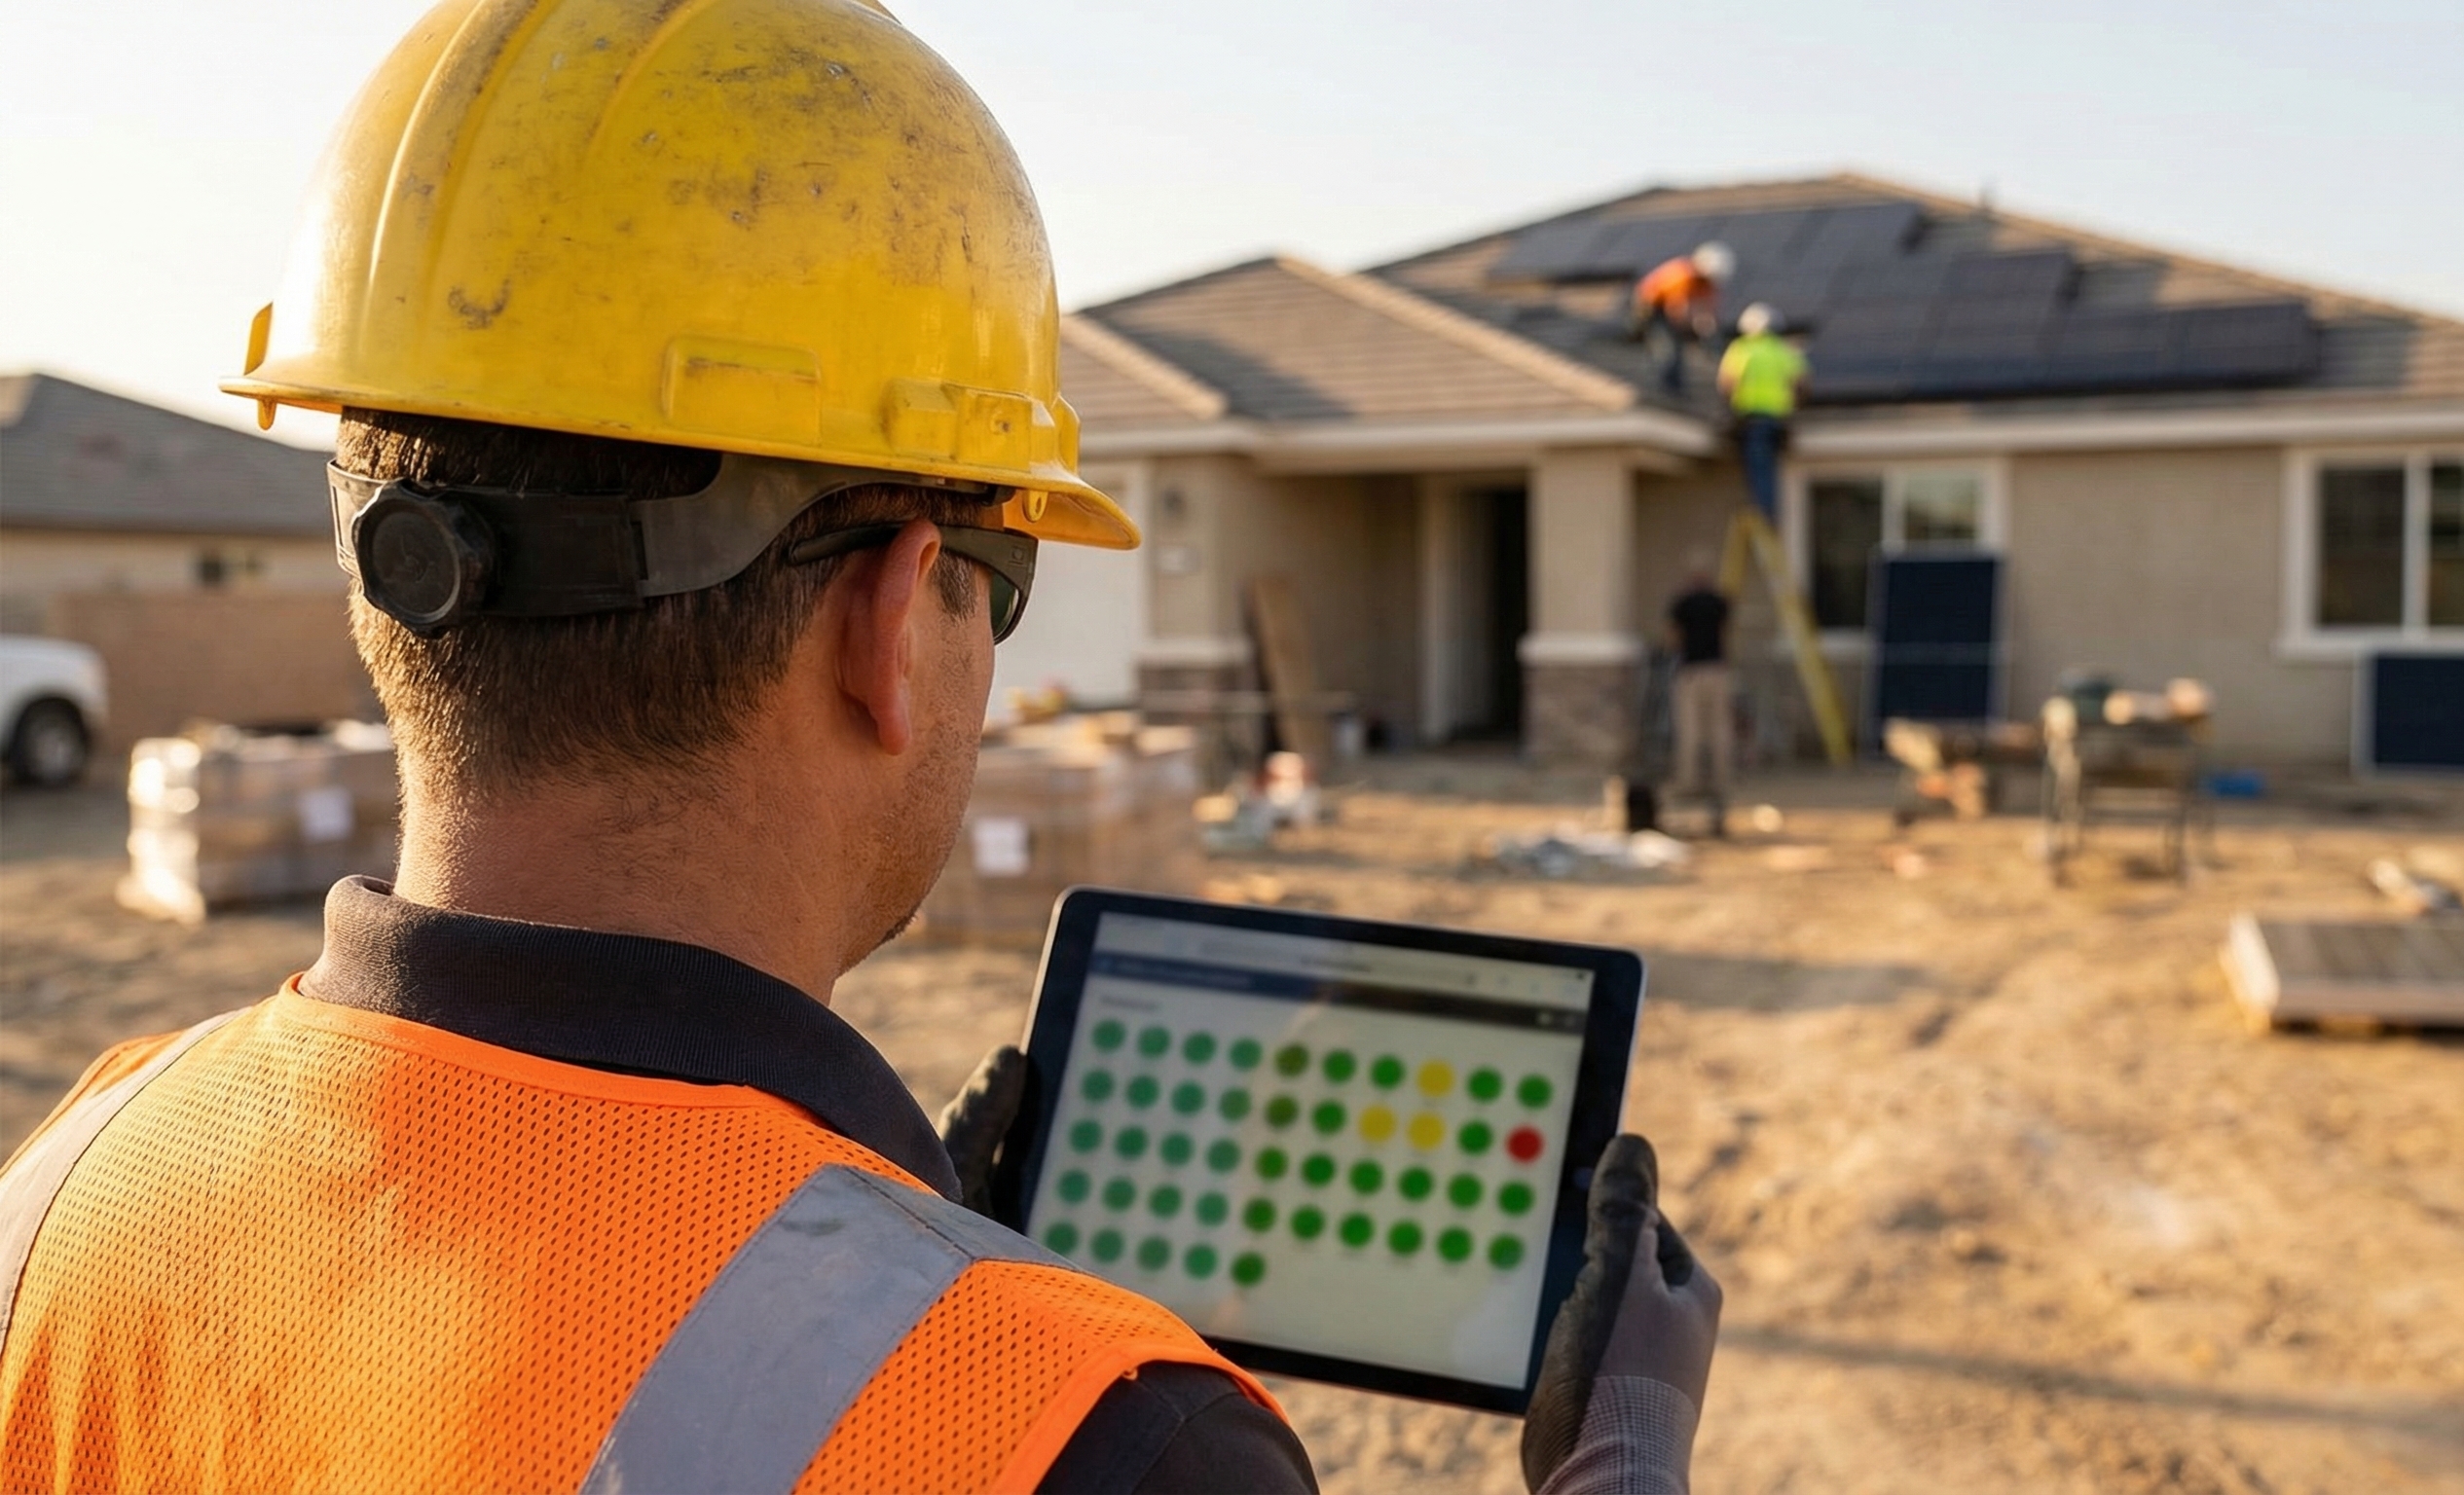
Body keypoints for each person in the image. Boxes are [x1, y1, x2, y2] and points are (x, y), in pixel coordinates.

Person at [0, 3, 1720, 1493]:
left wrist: (869, 1246)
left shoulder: (68, 1193)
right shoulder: (1099, 1444)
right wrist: (1619, 1459)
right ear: (901, 623)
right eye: (1007, 578)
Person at [1717, 304, 1808, 524]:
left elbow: (1727, 383)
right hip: (1778, 420)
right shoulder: (1785, 351)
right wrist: (1791, 409)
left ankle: (1764, 515)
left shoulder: (1741, 350)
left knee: (1759, 467)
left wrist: (1731, 411)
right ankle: (1769, 512)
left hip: (1754, 420)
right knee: (1770, 466)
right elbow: (1801, 385)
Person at [1668, 565, 1736, 837]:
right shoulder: (1719, 603)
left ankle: (1689, 780)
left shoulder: (1682, 604)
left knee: (1690, 729)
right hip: (1717, 670)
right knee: (1719, 730)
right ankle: (1720, 780)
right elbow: (1727, 632)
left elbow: (1672, 635)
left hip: (1692, 671)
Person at [1630, 241, 1735, 393]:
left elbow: (1709, 306)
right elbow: (1676, 309)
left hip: (1672, 307)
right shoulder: (1682, 276)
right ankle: (1670, 386)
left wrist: (1706, 325)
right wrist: (1690, 326)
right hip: (1652, 305)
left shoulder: (1708, 282)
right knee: (1668, 345)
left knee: (1680, 342)